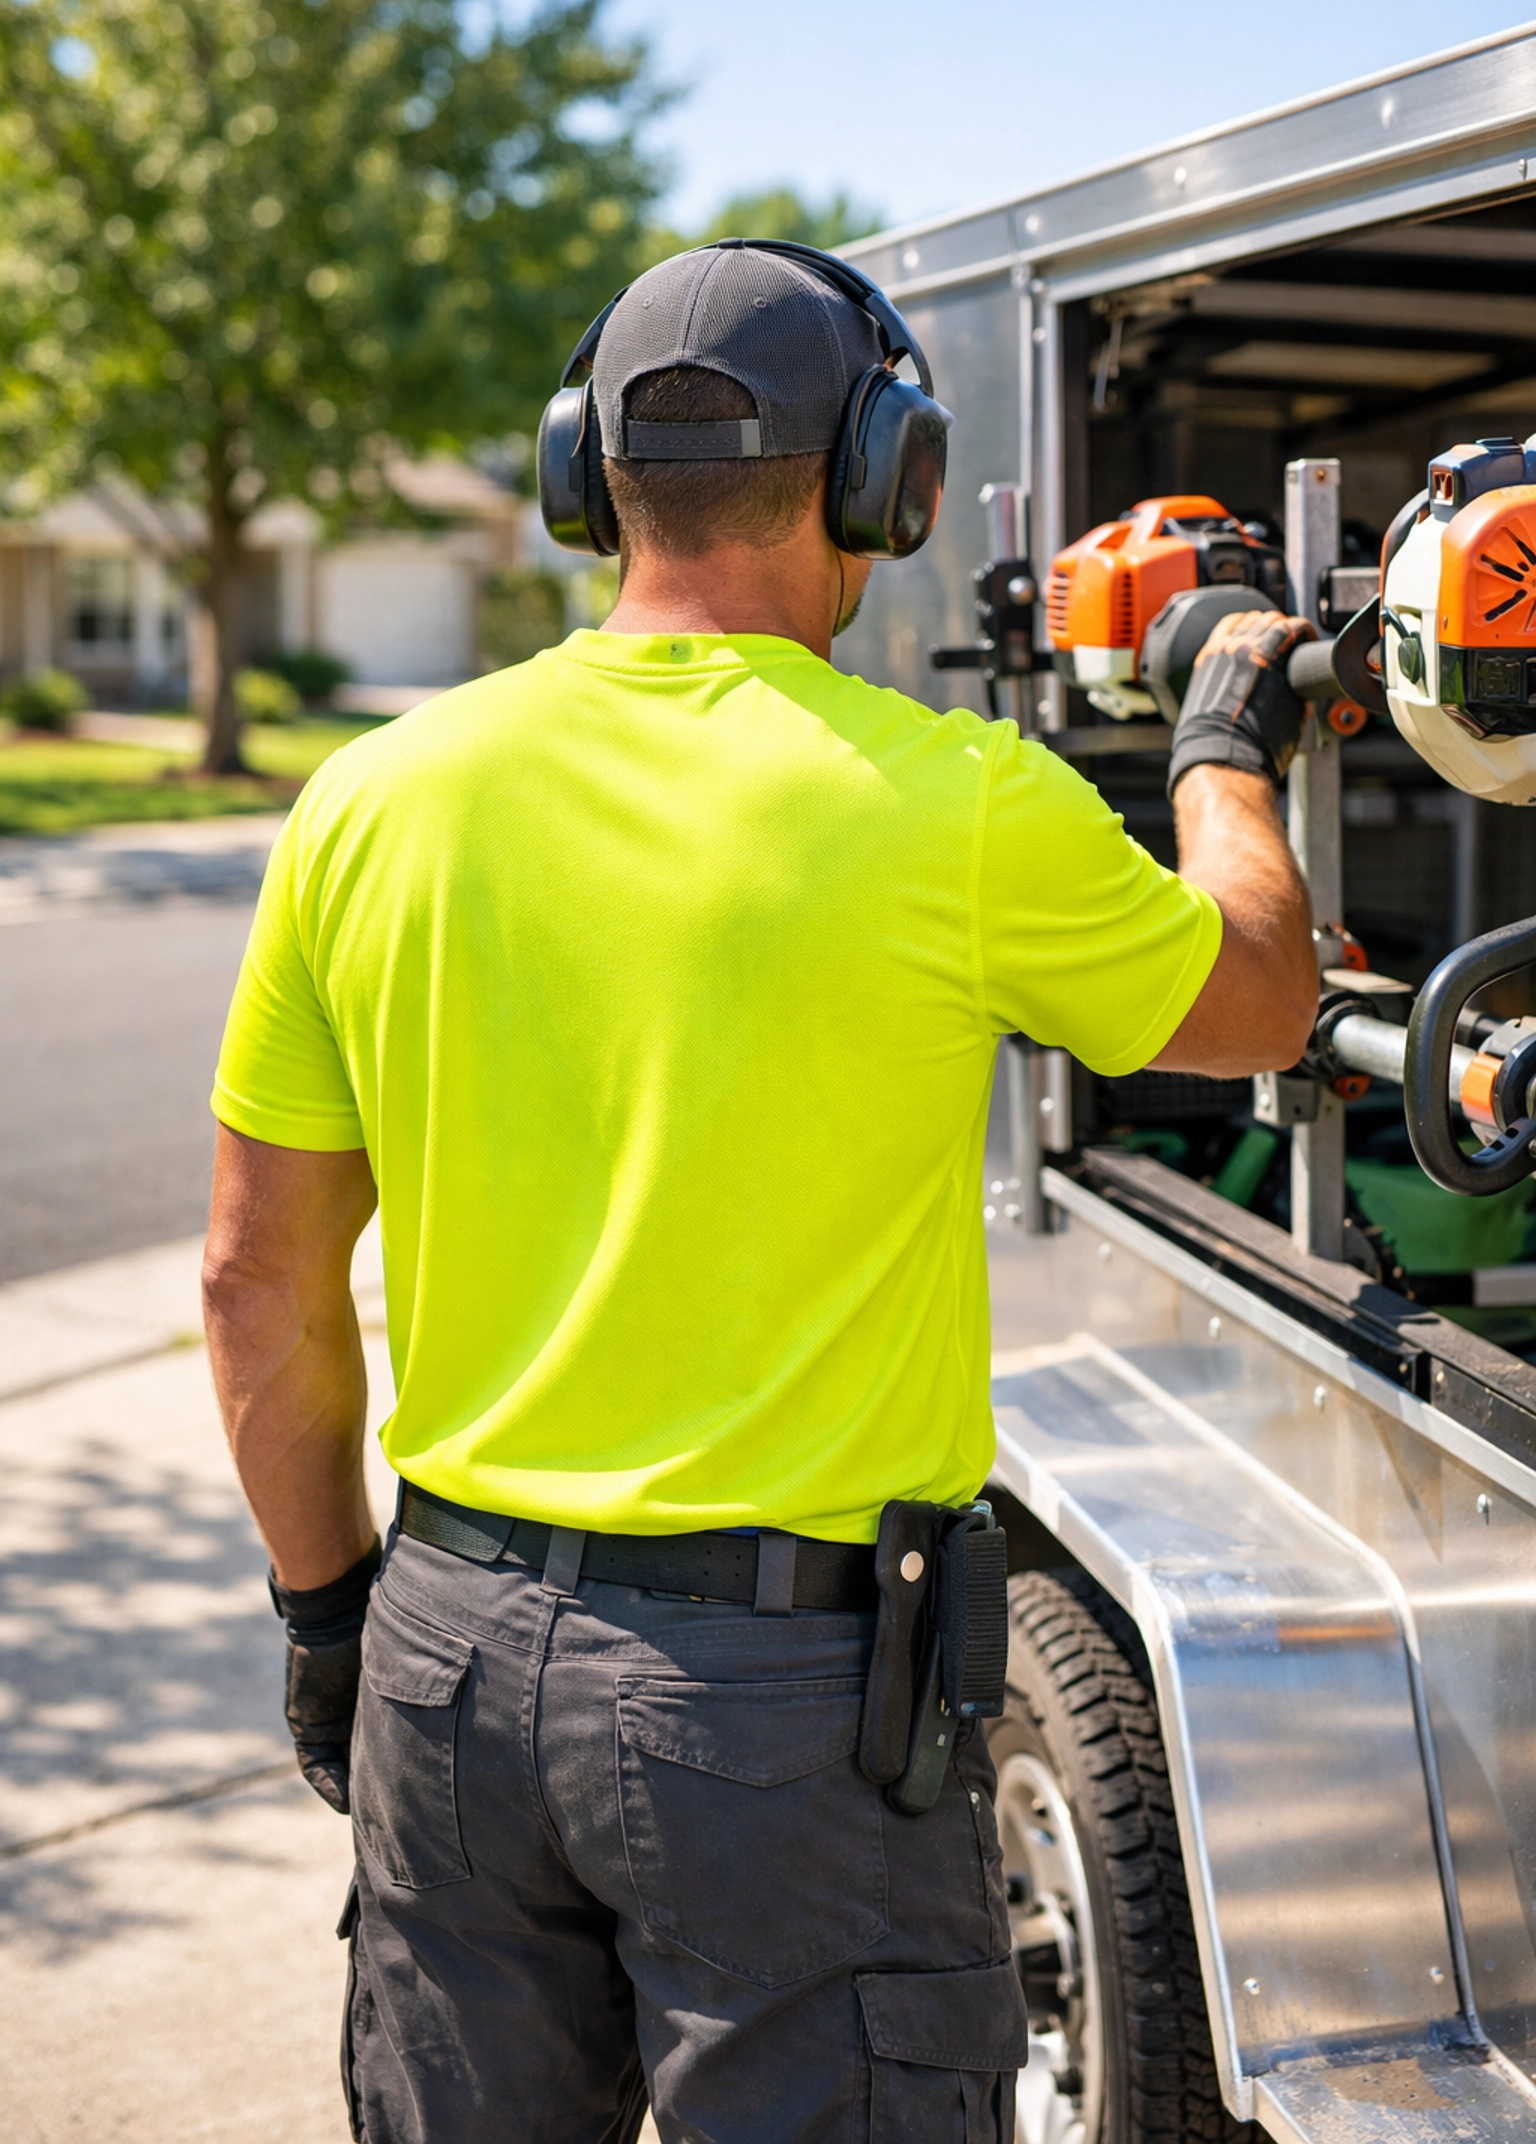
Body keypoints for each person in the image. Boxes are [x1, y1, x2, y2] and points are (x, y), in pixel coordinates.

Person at [202, 241, 1316, 2144]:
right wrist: (1221, 746)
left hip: (447, 1660)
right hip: (783, 1718)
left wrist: (328, 1618)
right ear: (882, 474)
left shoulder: (372, 799)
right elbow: (1266, 999)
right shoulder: (959, 804)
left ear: (587, 479)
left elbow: (257, 1285)